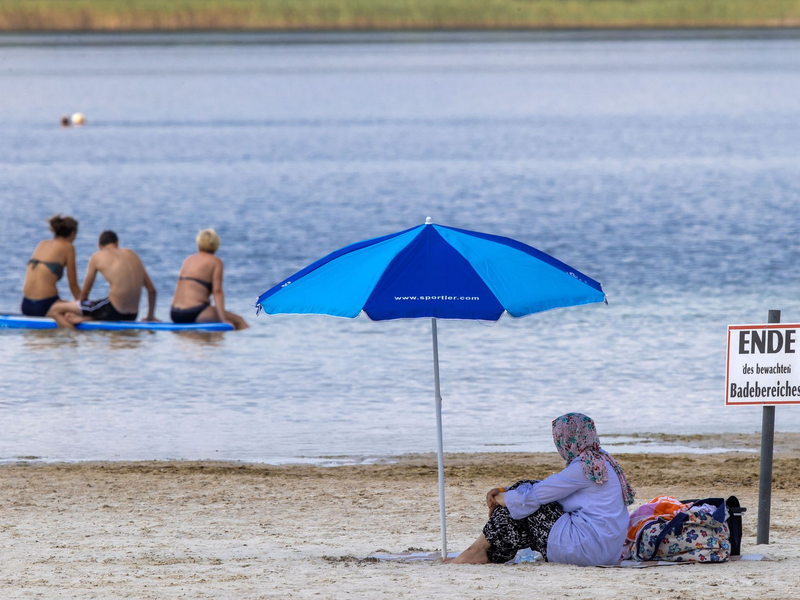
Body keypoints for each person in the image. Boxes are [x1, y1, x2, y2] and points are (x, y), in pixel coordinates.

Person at [447, 413, 635, 566]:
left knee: (523, 495)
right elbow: (553, 490)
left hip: (584, 548)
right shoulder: (601, 461)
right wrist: (507, 492)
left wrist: (498, 499)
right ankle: (487, 556)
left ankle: (475, 551)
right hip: (607, 552)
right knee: (521, 500)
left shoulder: (583, 468)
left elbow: (535, 496)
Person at [55, 230, 157, 324]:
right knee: (99, 305)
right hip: (132, 315)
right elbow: (152, 290)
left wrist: (81, 310)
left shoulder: (97, 256)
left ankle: (84, 318)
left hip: (113, 311)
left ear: (99, 246)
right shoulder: (133, 254)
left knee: (58, 307)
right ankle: (89, 318)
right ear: (117, 243)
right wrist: (150, 317)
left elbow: (85, 293)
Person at [170, 229, 248, 330]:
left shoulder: (188, 260)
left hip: (175, 314)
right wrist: (223, 319)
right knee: (239, 320)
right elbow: (217, 291)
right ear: (216, 245)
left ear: (199, 244)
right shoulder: (216, 261)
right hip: (194, 313)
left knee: (212, 338)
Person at [21, 215, 82, 327]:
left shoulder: (42, 243)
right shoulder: (68, 247)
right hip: (45, 305)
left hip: (26, 305)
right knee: (80, 311)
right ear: (73, 234)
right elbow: (73, 285)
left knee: (68, 308)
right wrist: (84, 307)